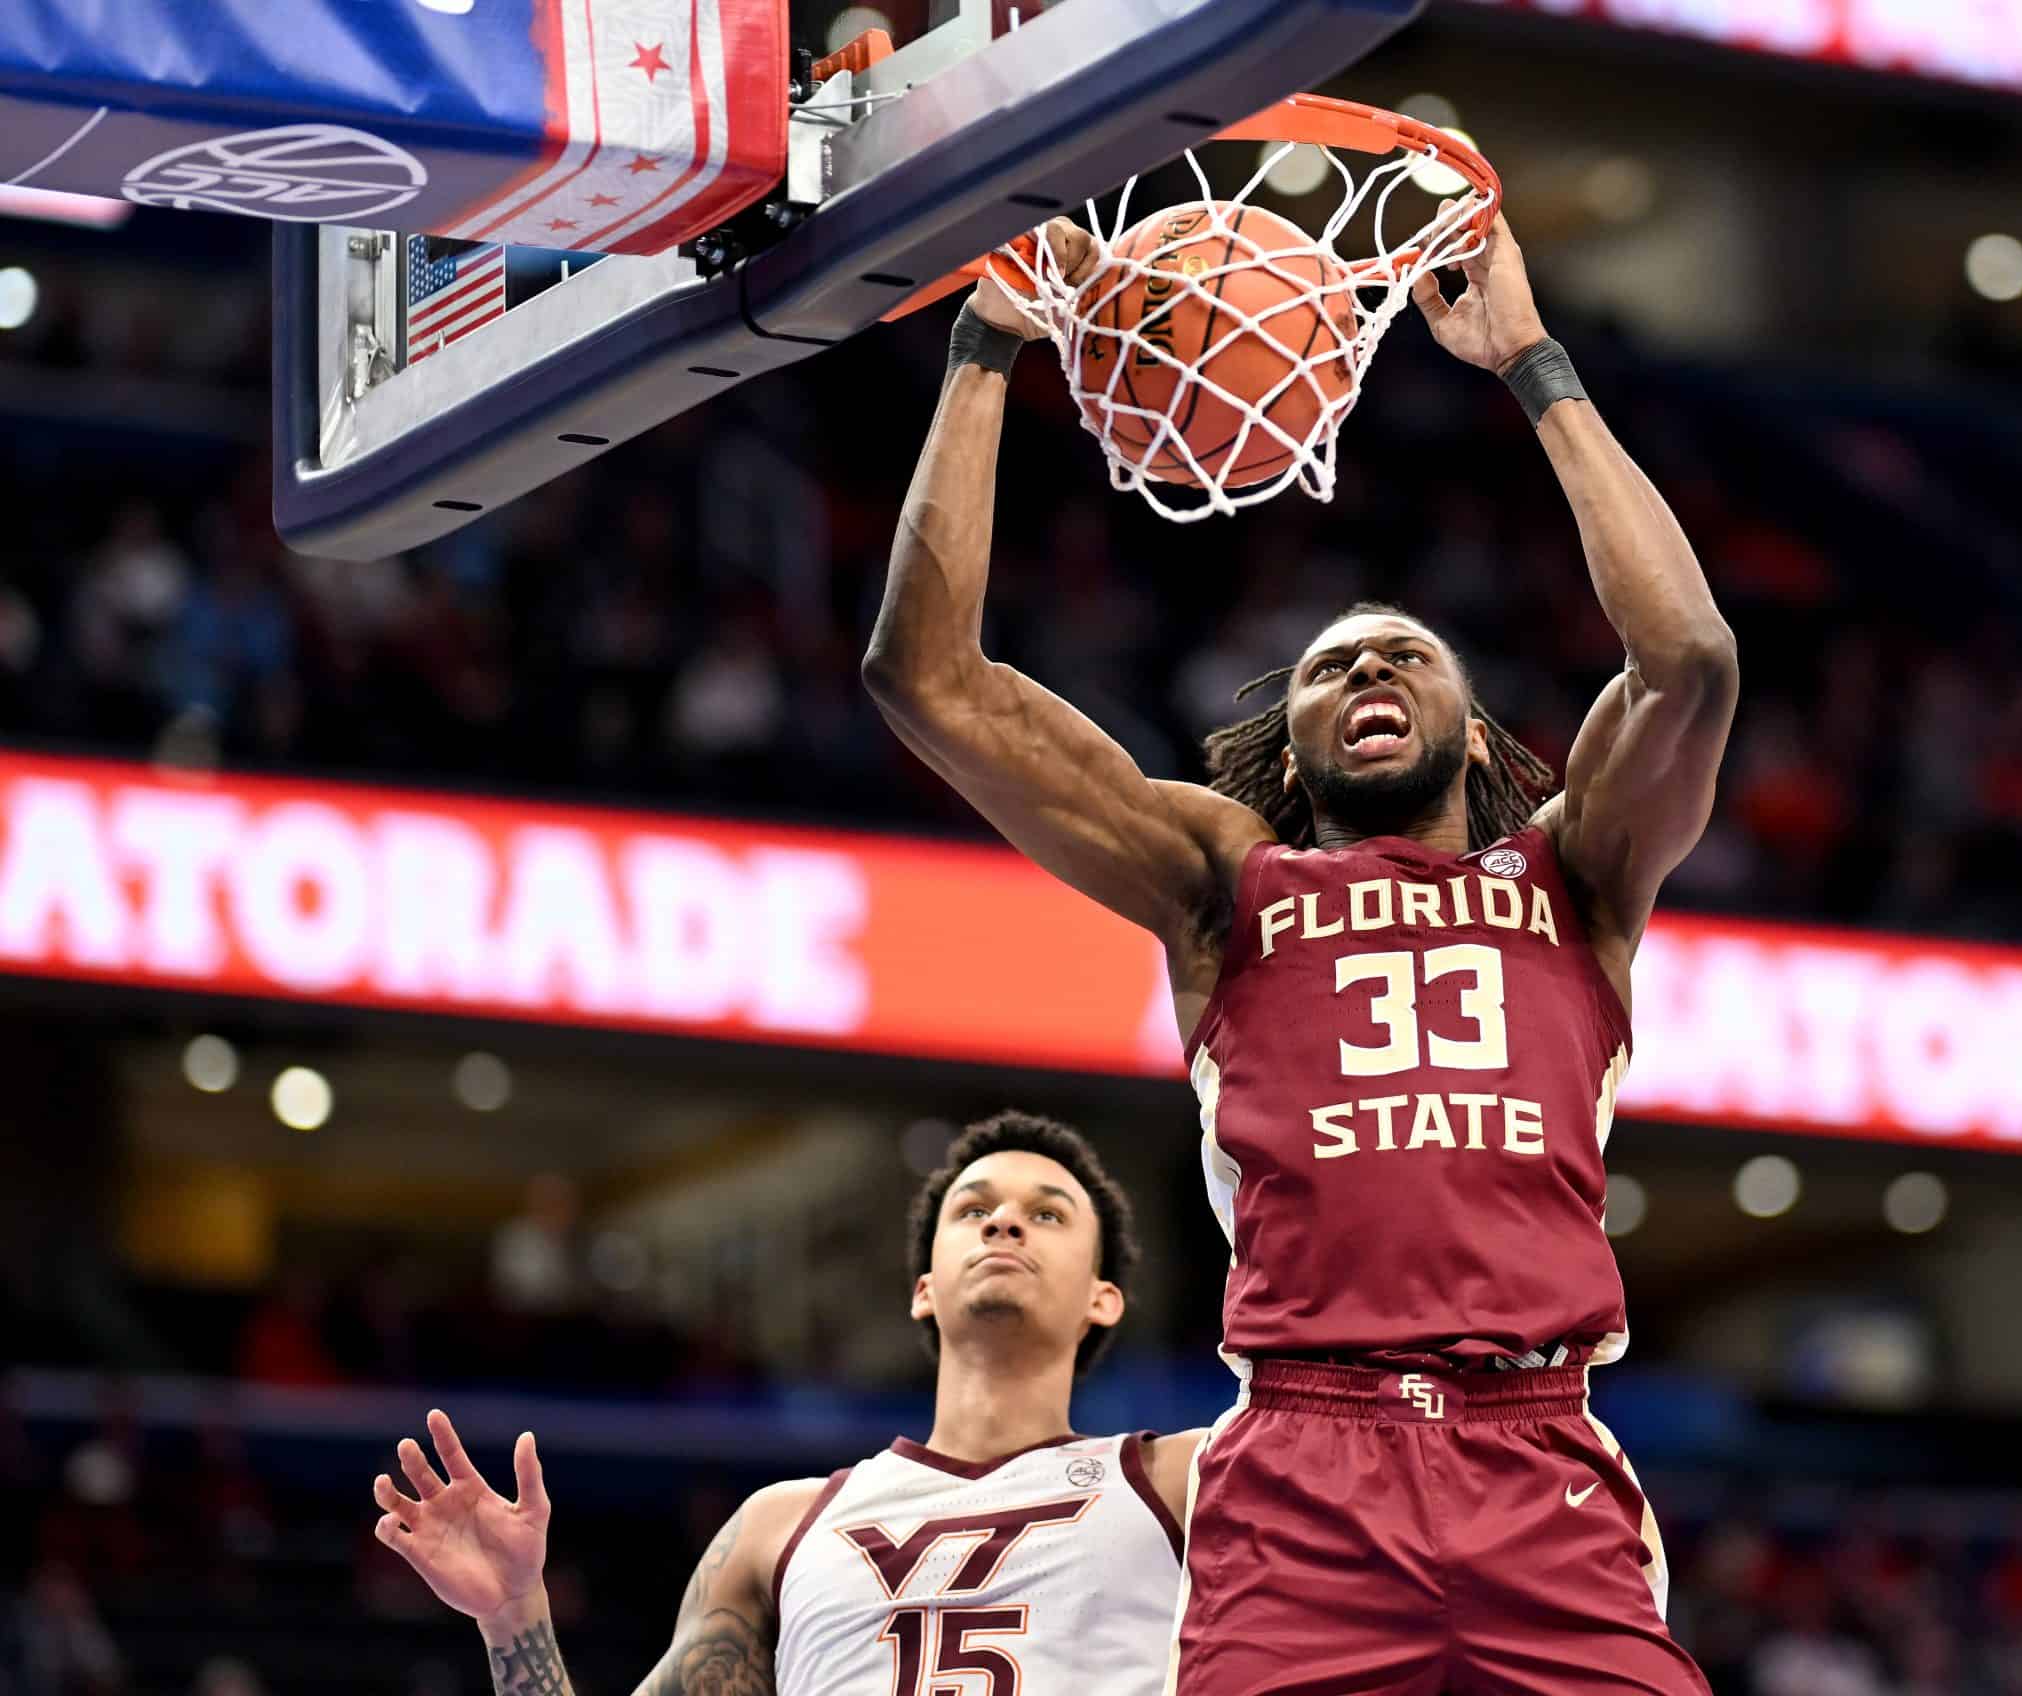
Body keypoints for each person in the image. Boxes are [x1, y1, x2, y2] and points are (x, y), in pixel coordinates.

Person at [864, 213, 1738, 1693]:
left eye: (1408, 654)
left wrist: (1531, 363)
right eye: (1334, 664)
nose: (1372, 668)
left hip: (1540, 1456)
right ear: (1296, 737)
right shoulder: (1222, 886)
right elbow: (927, 678)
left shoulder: (1576, 873)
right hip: (1302, 1472)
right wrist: (985, 349)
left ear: (1479, 734)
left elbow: (1692, 662)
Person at [366, 1112, 1198, 1696]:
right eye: (973, 1210)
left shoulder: (1187, 1478)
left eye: (1046, 1214)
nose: (1004, 1225)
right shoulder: (780, 1524)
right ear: (921, 1288)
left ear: (1104, 1297)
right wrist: (516, 1616)